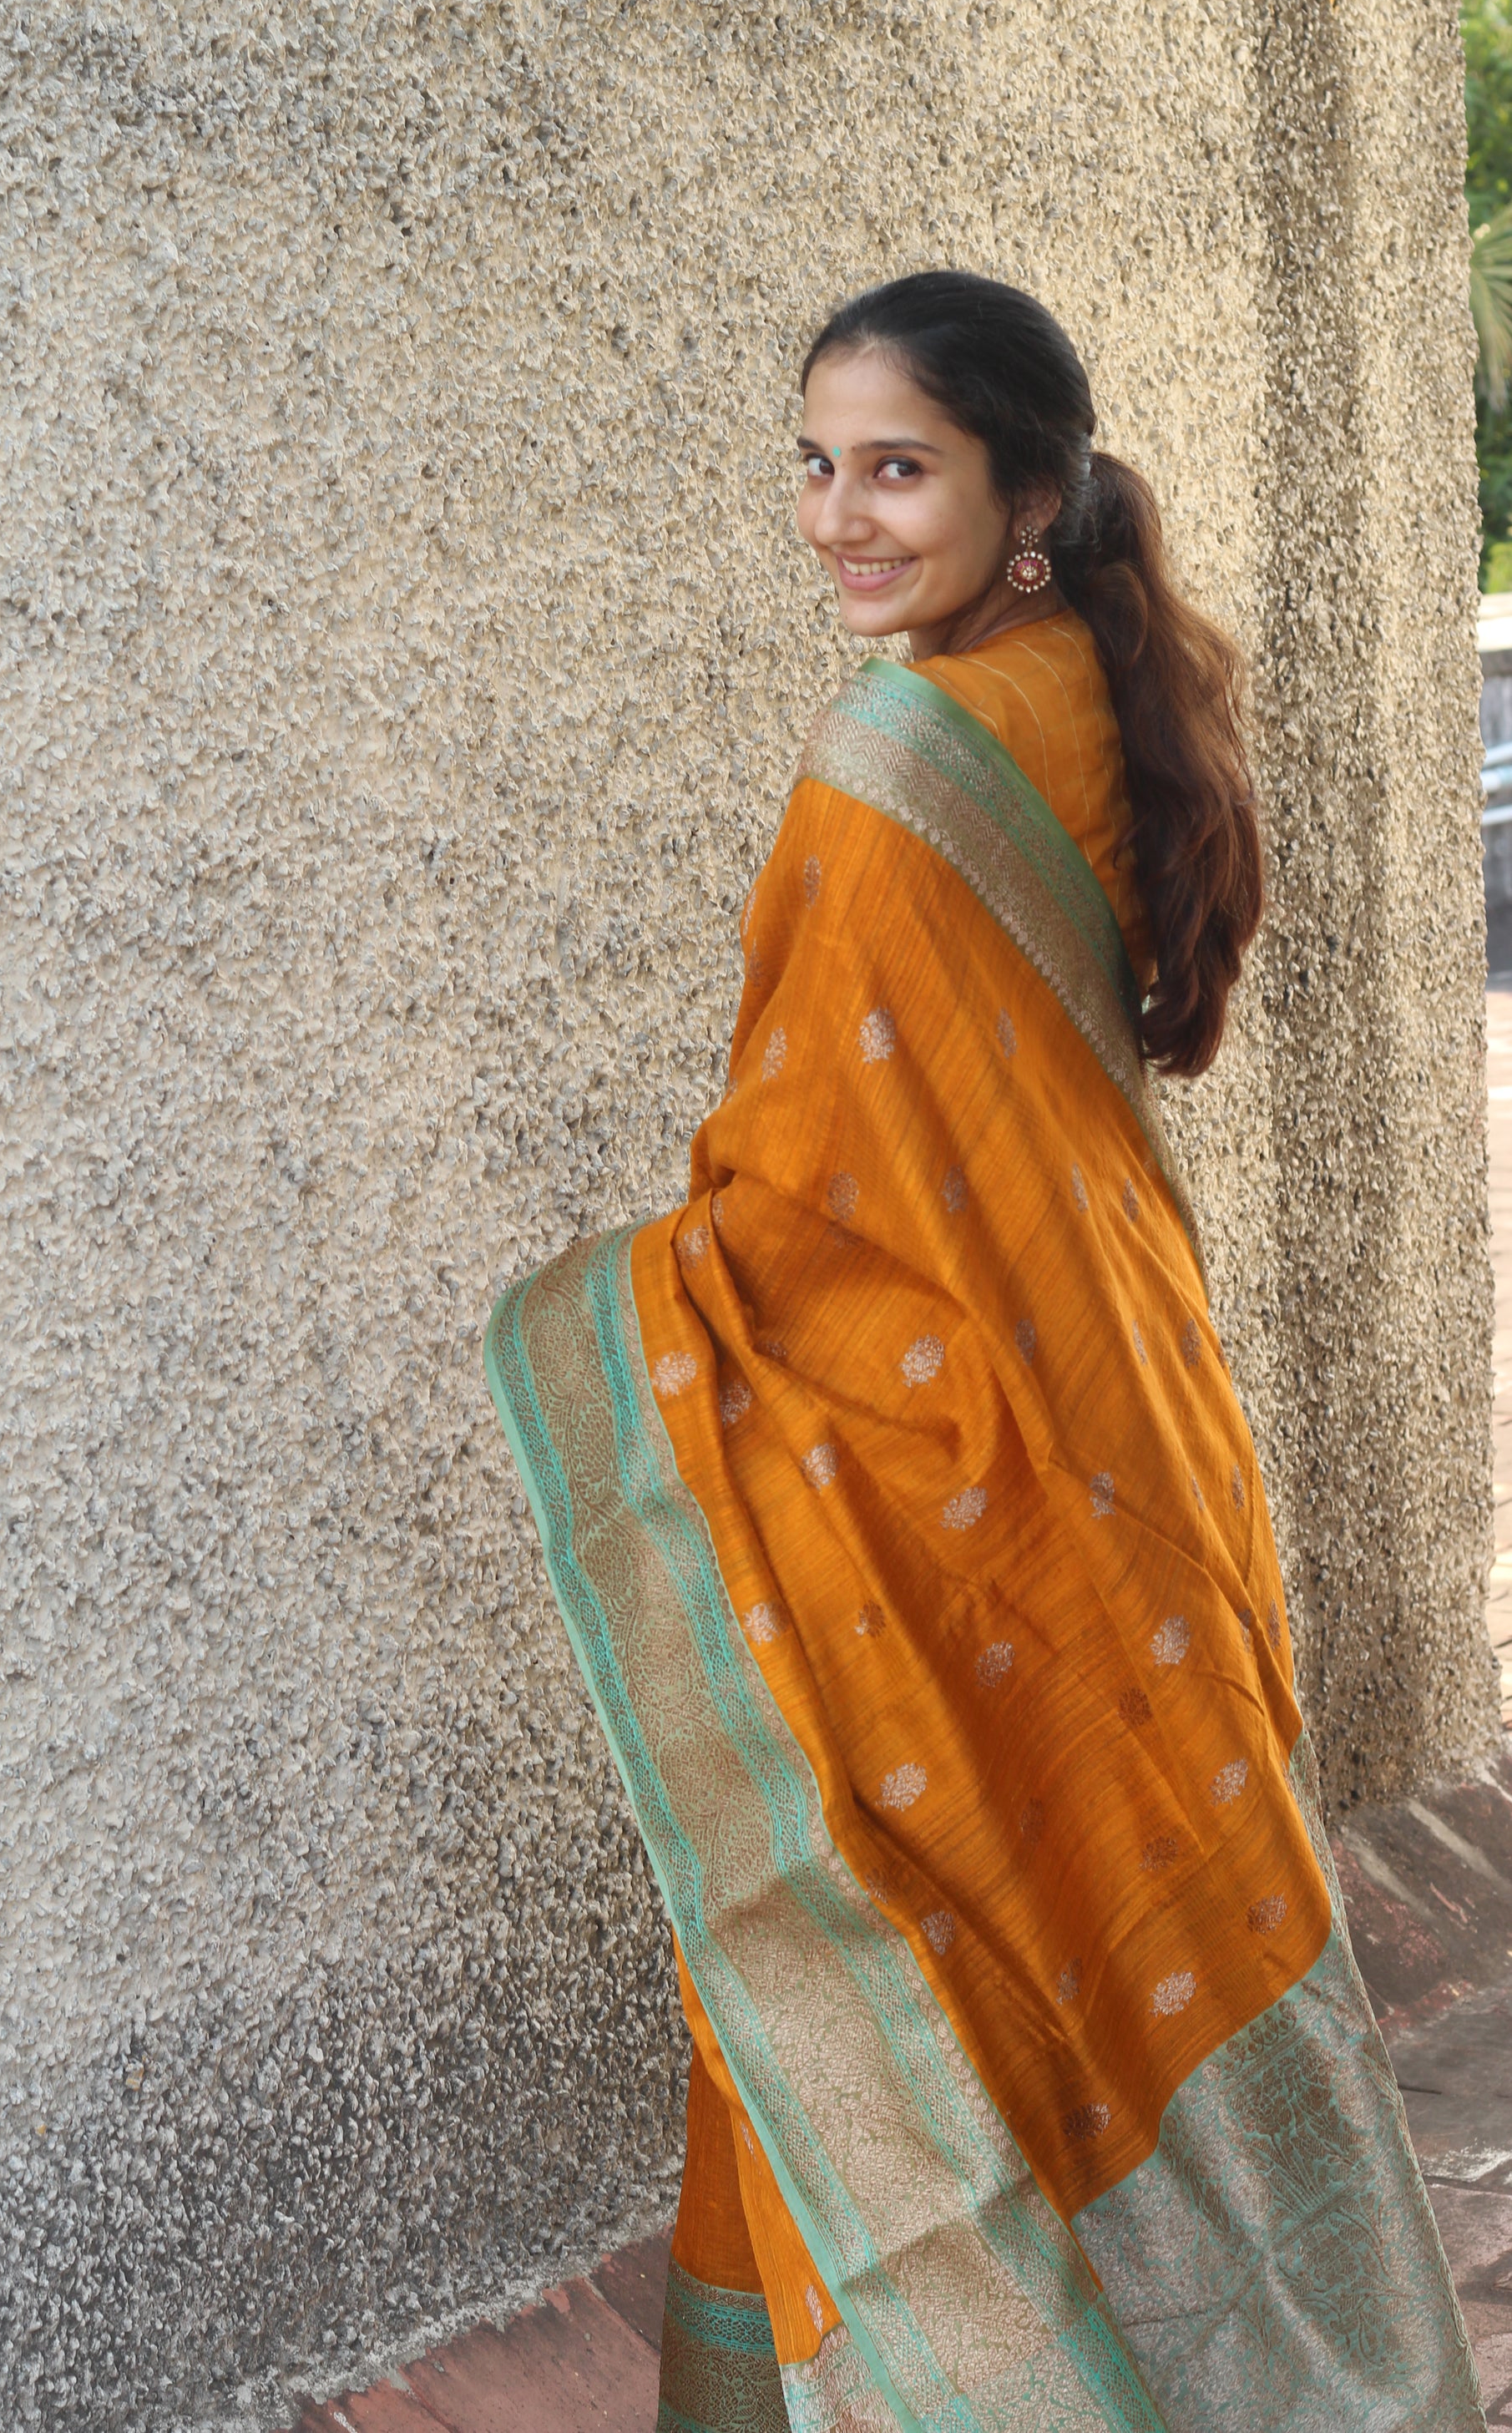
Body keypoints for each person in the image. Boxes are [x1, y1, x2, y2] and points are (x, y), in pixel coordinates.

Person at [484, 271, 1483, 2433]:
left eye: (897, 469)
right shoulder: (1084, 692)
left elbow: (806, 1189)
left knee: (886, 1963)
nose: (840, 517)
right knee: (1134, 1946)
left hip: (964, 1489)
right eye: (815, 466)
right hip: (1129, 1434)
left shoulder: (897, 756)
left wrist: (605, 1321)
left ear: (1026, 497)